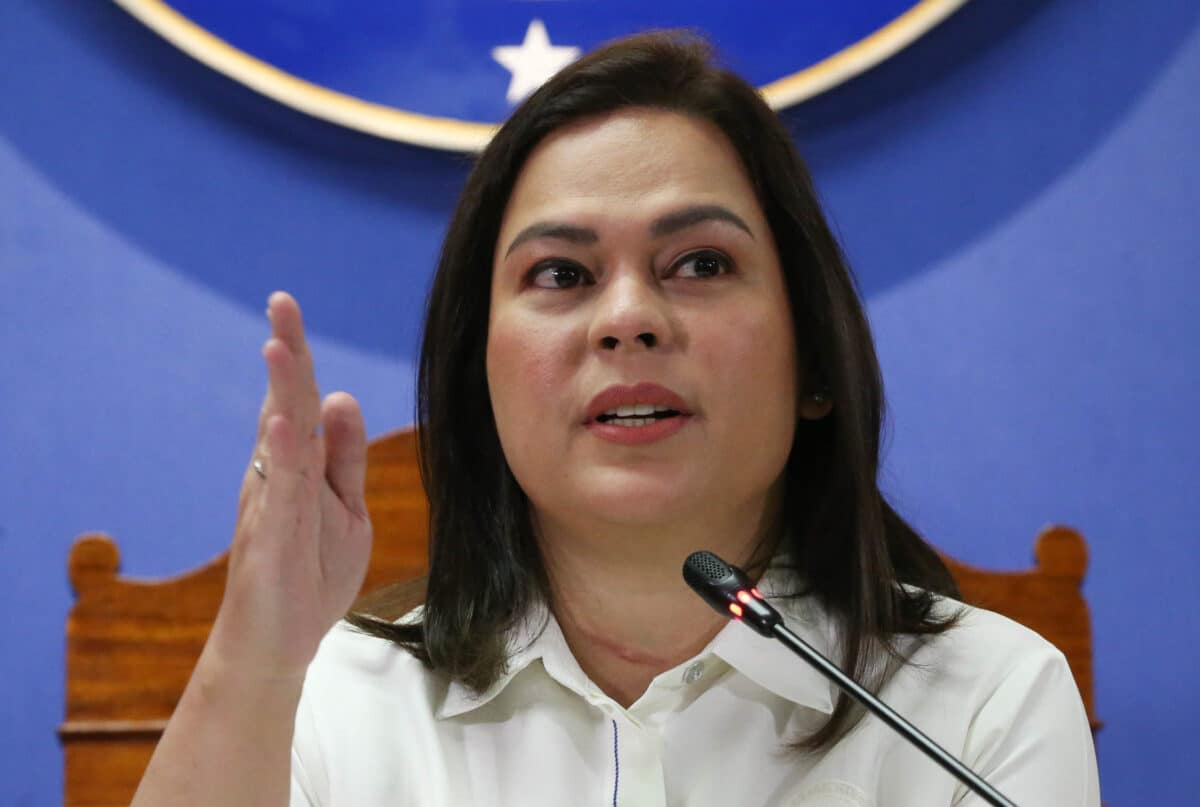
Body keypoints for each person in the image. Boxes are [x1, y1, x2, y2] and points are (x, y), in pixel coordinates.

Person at [131, 31, 1100, 807]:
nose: (630, 317)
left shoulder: (982, 707)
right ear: (481, 382)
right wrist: (255, 658)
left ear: (815, 362)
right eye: (561, 275)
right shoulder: (332, 702)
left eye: (700, 264)